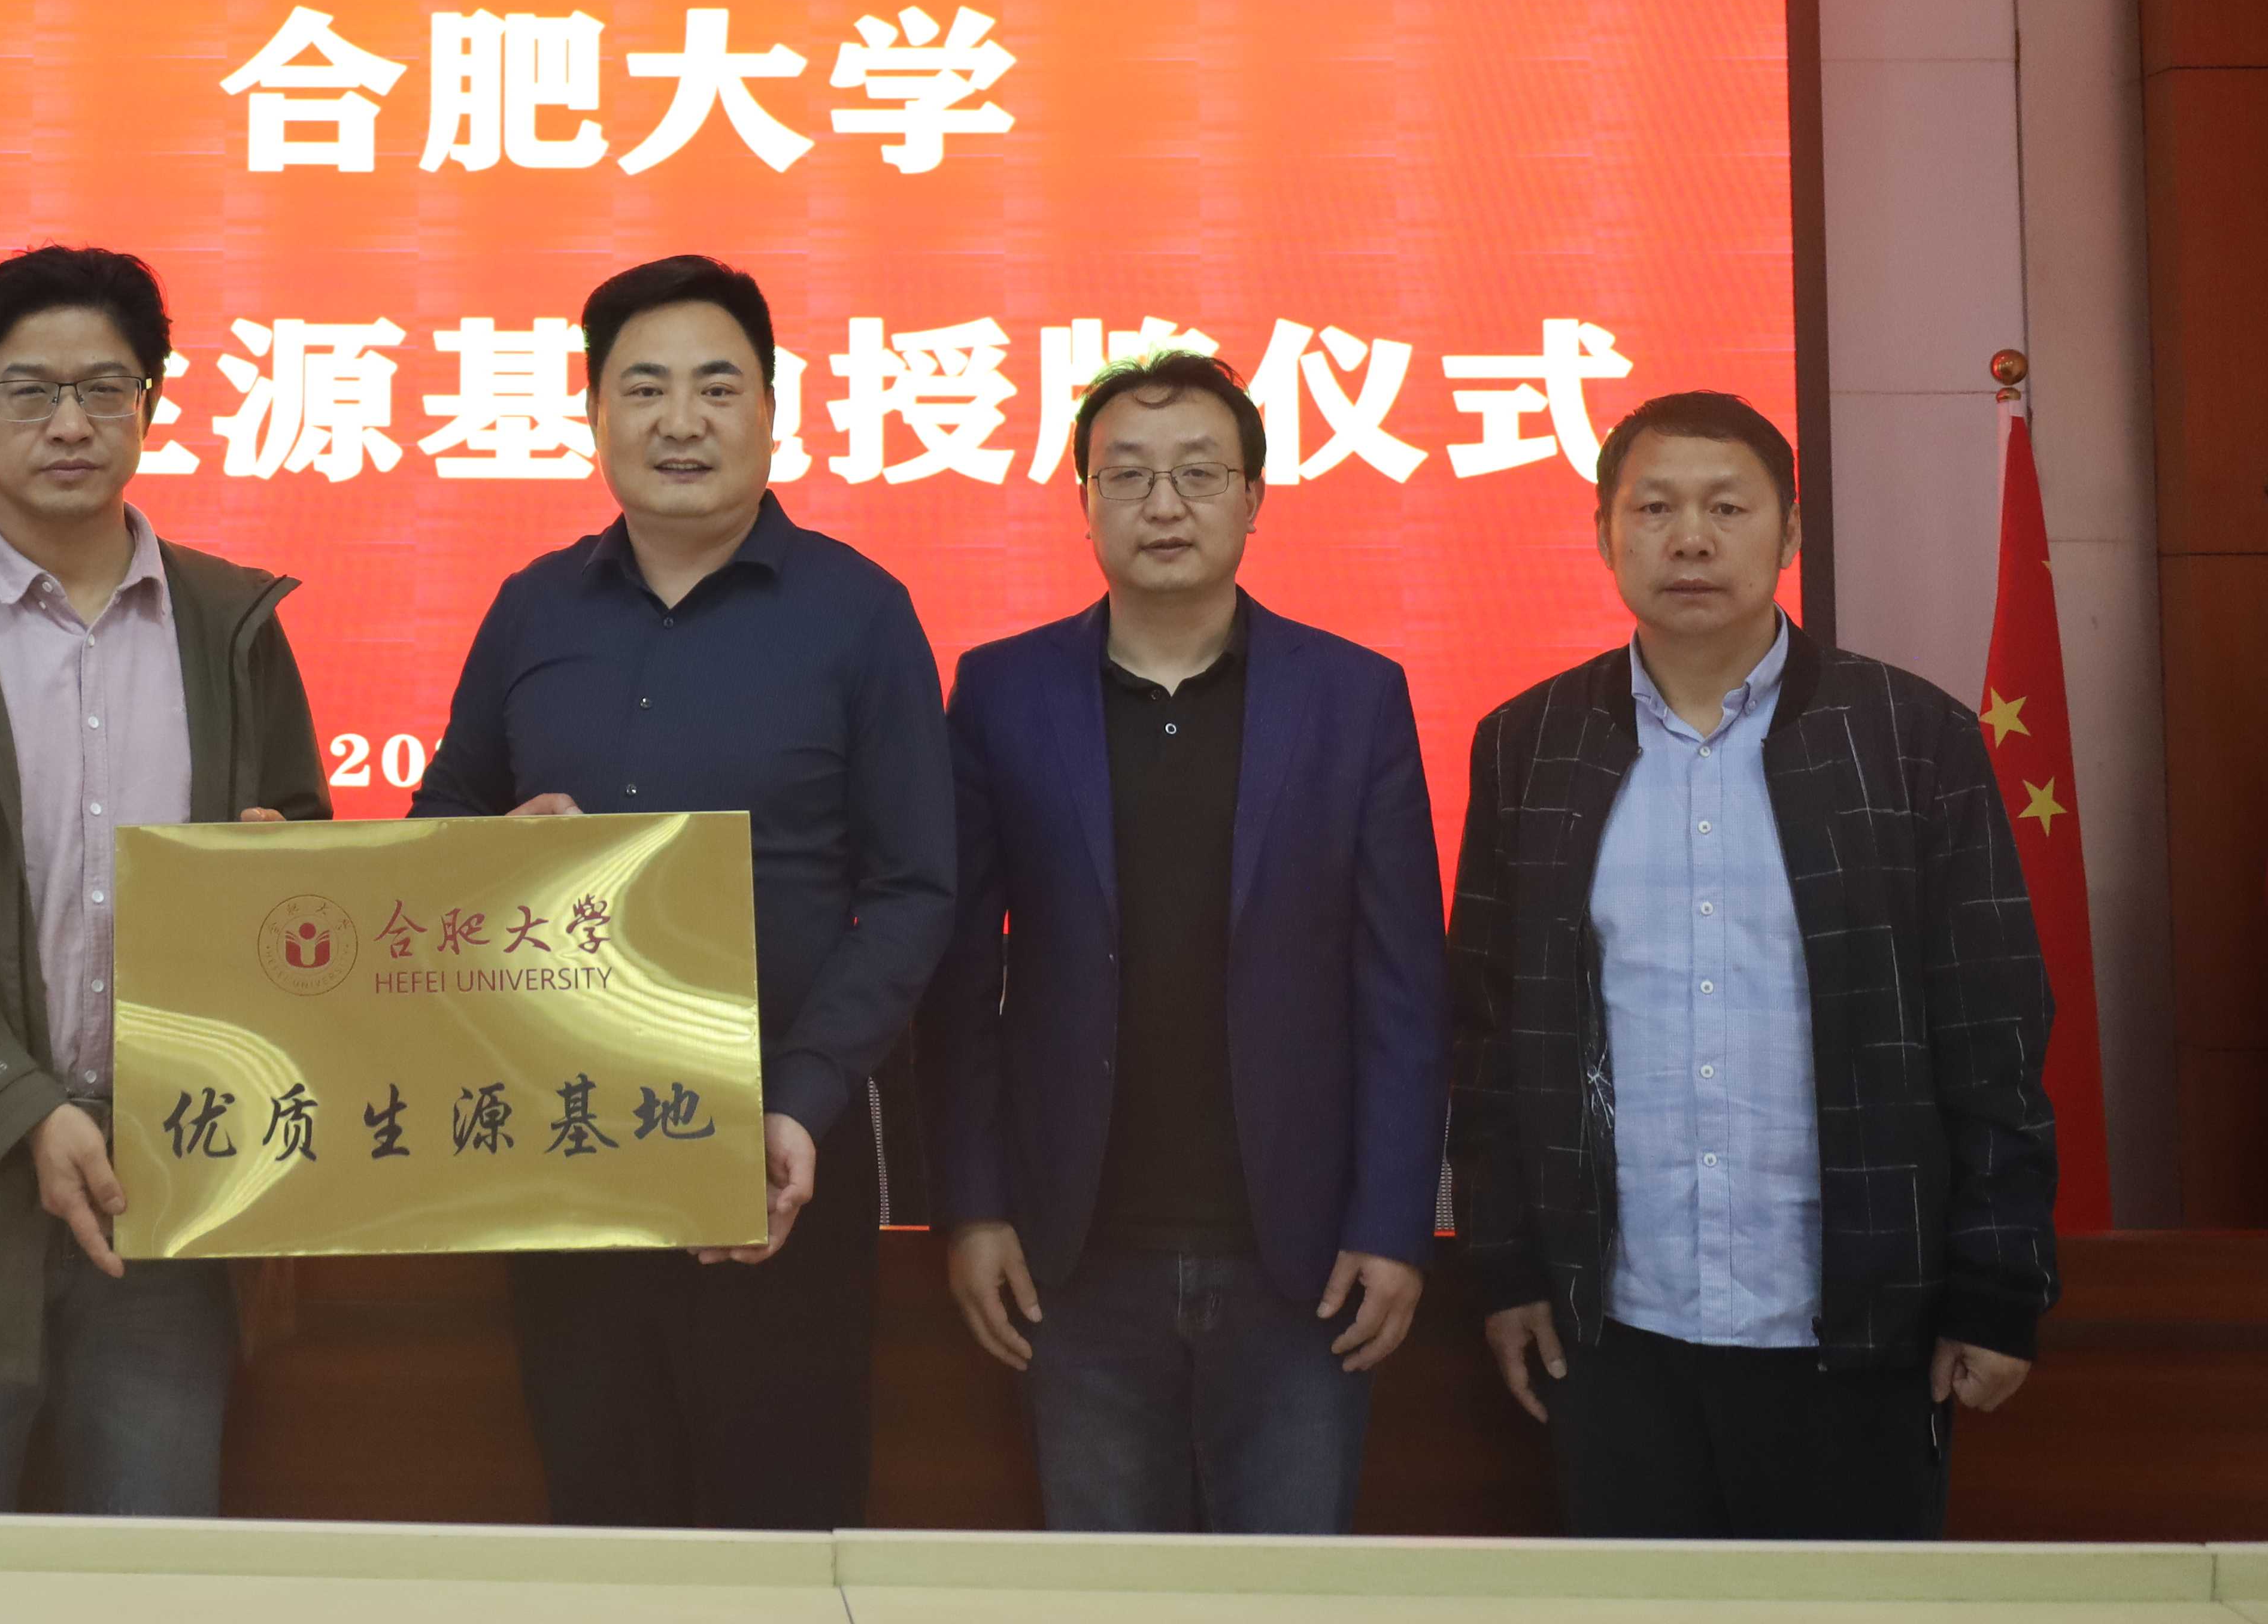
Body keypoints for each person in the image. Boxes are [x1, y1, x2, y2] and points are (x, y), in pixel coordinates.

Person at [1450, 390, 2060, 1538]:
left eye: (1728, 508)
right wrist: (1508, 1269)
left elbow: (1994, 1028)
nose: (1690, 539)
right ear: (1604, 533)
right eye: (1655, 509)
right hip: (1615, 1329)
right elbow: (1488, 1034)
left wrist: (1997, 1284)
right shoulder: (1530, 745)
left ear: (1789, 534)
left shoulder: (1910, 738)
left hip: (1862, 1326)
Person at [411, 254, 954, 1531]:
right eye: (644, 388)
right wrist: (496, 853)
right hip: (561, 1148)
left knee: (783, 1534)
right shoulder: (533, 609)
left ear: (772, 409)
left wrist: (804, 1099)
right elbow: (438, 832)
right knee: (604, 1524)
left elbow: (917, 888)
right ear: (594, 412)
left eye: (717, 387)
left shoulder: (860, 615)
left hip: (782, 1156)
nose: (681, 421)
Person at [0, 245, 329, 1515]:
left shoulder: (234, 626)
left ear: (153, 402)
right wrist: (27, 1109)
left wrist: (283, 871)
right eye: (30, 391)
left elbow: (309, 861)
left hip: (171, 1189)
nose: (72, 423)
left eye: (105, 388)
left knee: (150, 1579)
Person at [929, 349, 1447, 1532]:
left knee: (1287, 1598)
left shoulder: (1354, 695)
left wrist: (1392, 1224)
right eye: (1128, 475)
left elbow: (1404, 990)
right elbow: (958, 984)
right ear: (1085, 502)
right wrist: (974, 1206)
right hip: (1074, 1257)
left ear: (1255, 497)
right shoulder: (1003, 692)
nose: (1163, 504)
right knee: (1107, 1599)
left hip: (1301, 1260)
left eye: (1199, 473)